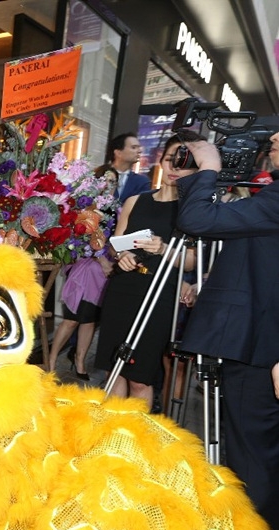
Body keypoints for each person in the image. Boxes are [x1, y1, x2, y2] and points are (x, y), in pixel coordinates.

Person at [176, 134, 279, 530]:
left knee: (254, 456)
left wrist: (210, 169)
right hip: (257, 343)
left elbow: (198, 221)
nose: (272, 139)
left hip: (260, 348)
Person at [94, 132, 200, 408]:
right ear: (160, 161)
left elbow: (191, 262)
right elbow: (114, 246)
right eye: (169, 160)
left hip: (159, 297)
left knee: (141, 378)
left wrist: (164, 249)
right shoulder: (135, 201)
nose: (174, 168)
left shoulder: (191, 212)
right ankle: (108, 438)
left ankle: (135, 444)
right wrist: (123, 255)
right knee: (113, 370)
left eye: (183, 162)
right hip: (123, 290)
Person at [47, 167, 118, 380]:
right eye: (105, 180)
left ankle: (79, 360)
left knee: (90, 320)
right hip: (84, 270)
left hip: (104, 274)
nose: (109, 185)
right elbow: (79, 238)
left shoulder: (117, 209)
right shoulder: (85, 205)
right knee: (72, 319)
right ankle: (51, 359)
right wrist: (101, 258)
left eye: (113, 181)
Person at [105, 132, 150, 203]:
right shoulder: (99, 175)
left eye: (139, 148)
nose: (139, 151)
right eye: (134, 147)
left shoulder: (142, 182)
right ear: (118, 152)